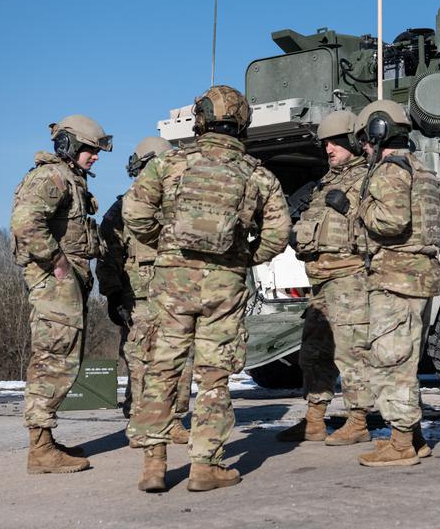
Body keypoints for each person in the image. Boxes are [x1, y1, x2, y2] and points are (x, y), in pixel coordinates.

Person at [123, 85, 290, 492]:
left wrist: (165, 241)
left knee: (162, 370)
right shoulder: (257, 173)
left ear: (199, 119)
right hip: (224, 286)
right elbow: (279, 234)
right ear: (242, 124)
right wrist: (245, 258)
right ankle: (205, 466)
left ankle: (153, 465)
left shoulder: (168, 164)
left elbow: (134, 214)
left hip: (171, 283)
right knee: (214, 377)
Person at [10, 114, 112, 474]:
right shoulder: (51, 177)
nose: (95, 156)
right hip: (56, 287)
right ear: (69, 145)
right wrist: (58, 263)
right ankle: (40, 450)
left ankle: (45, 441)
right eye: (89, 150)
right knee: (53, 362)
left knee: (62, 361)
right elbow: (25, 224)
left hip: (66, 287)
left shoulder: (70, 179)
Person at [353, 100, 440, 467]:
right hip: (416, 277)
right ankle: (415, 437)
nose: (364, 148)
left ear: (379, 132)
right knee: (405, 360)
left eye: (366, 140)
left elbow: (390, 222)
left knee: (390, 361)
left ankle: (401, 443)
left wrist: (359, 209)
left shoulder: (390, 172)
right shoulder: (422, 171)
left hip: (395, 278)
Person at [276, 110, 373, 445]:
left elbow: (380, 226)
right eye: (325, 144)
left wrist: (349, 209)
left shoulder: (368, 179)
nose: (329, 149)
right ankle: (314, 420)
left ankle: (358, 421)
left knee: (352, 352)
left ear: (352, 142)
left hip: (350, 278)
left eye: (335, 142)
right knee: (314, 351)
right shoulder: (324, 183)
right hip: (320, 280)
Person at [96, 136, 192, 445]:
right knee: (140, 361)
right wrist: (112, 296)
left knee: (180, 360)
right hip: (138, 300)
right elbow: (108, 254)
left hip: (178, 295)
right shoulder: (124, 207)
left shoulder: (183, 204)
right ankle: (139, 417)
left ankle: (173, 419)